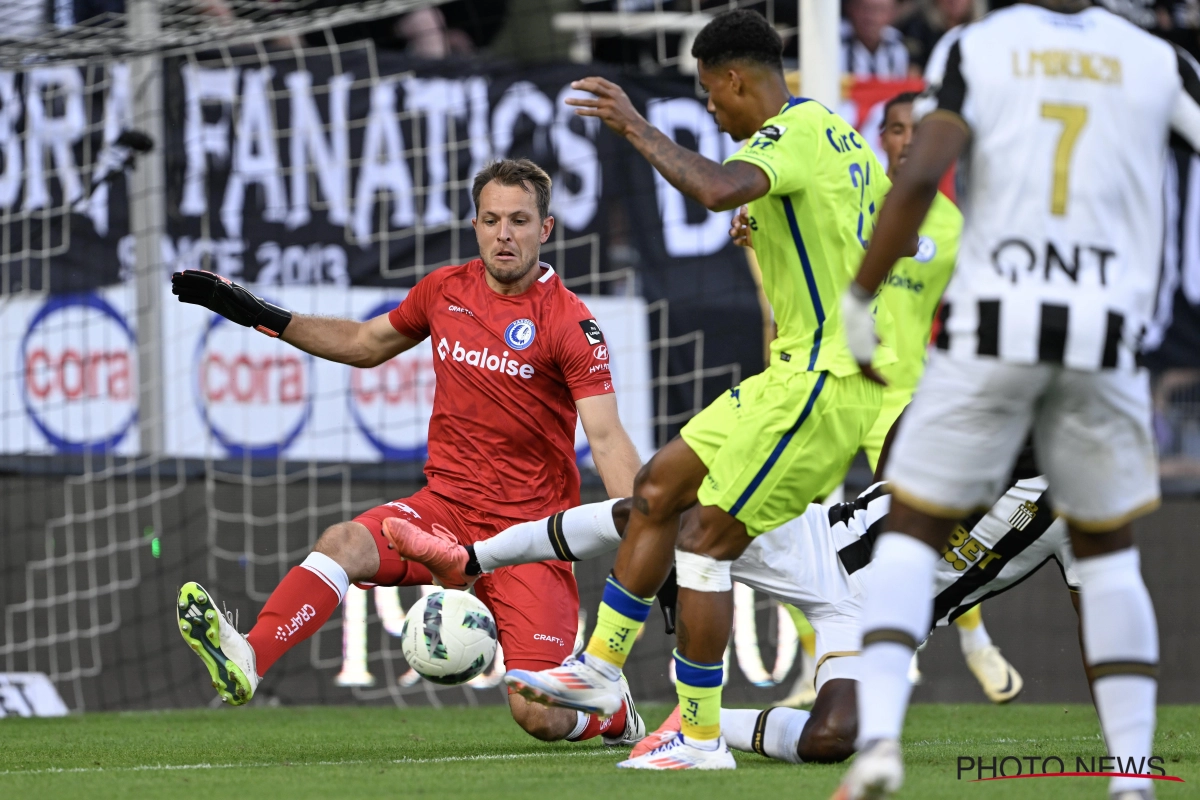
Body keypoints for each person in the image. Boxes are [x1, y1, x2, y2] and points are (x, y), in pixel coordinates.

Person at [449, 8, 893, 771]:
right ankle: (598, 670)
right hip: (792, 375)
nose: (710, 110)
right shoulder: (843, 138)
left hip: (821, 382)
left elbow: (717, 189)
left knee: (703, 538)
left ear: (732, 79)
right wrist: (779, 230)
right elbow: (871, 233)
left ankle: (701, 735)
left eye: (709, 95)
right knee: (656, 488)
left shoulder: (787, 136)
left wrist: (634, 125)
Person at [834, 3, 1200, 798]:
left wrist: (862, 297)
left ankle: (881, 744)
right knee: (1108, 558)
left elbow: (925, 171)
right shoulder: (1158, 59)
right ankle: (1132, 777)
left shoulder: (977, 47)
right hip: (1105, 337)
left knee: (912, 527)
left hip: (995, 328)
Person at [170, 158, 646, 749]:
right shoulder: (445, 290)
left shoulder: (571, 323)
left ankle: (615, 714)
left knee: (540, 717)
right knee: (344, 542)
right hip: (444, 513)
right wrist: (258, 314)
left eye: (520, 221)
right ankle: (249, 658)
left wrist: (647, 526)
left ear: (544, 230)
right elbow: (365, 344)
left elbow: (606, 437)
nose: (505, 234)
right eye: (492, 219)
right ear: (474, 224)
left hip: (529, 538)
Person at [386, 458, 1071, 767]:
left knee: (837, 737)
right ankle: (473, 557)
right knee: (659, 508)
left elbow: (1098, 610)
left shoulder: (1088, 509)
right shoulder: (991, 417)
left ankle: (682, 725)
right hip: (821, 542)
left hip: (880, 624)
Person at [841, 0, 911, 78]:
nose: (871, 18)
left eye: (879, 10)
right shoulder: (836, 46)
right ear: (851, 8)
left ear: (892, 13)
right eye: (865, 8)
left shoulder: (897, 49)